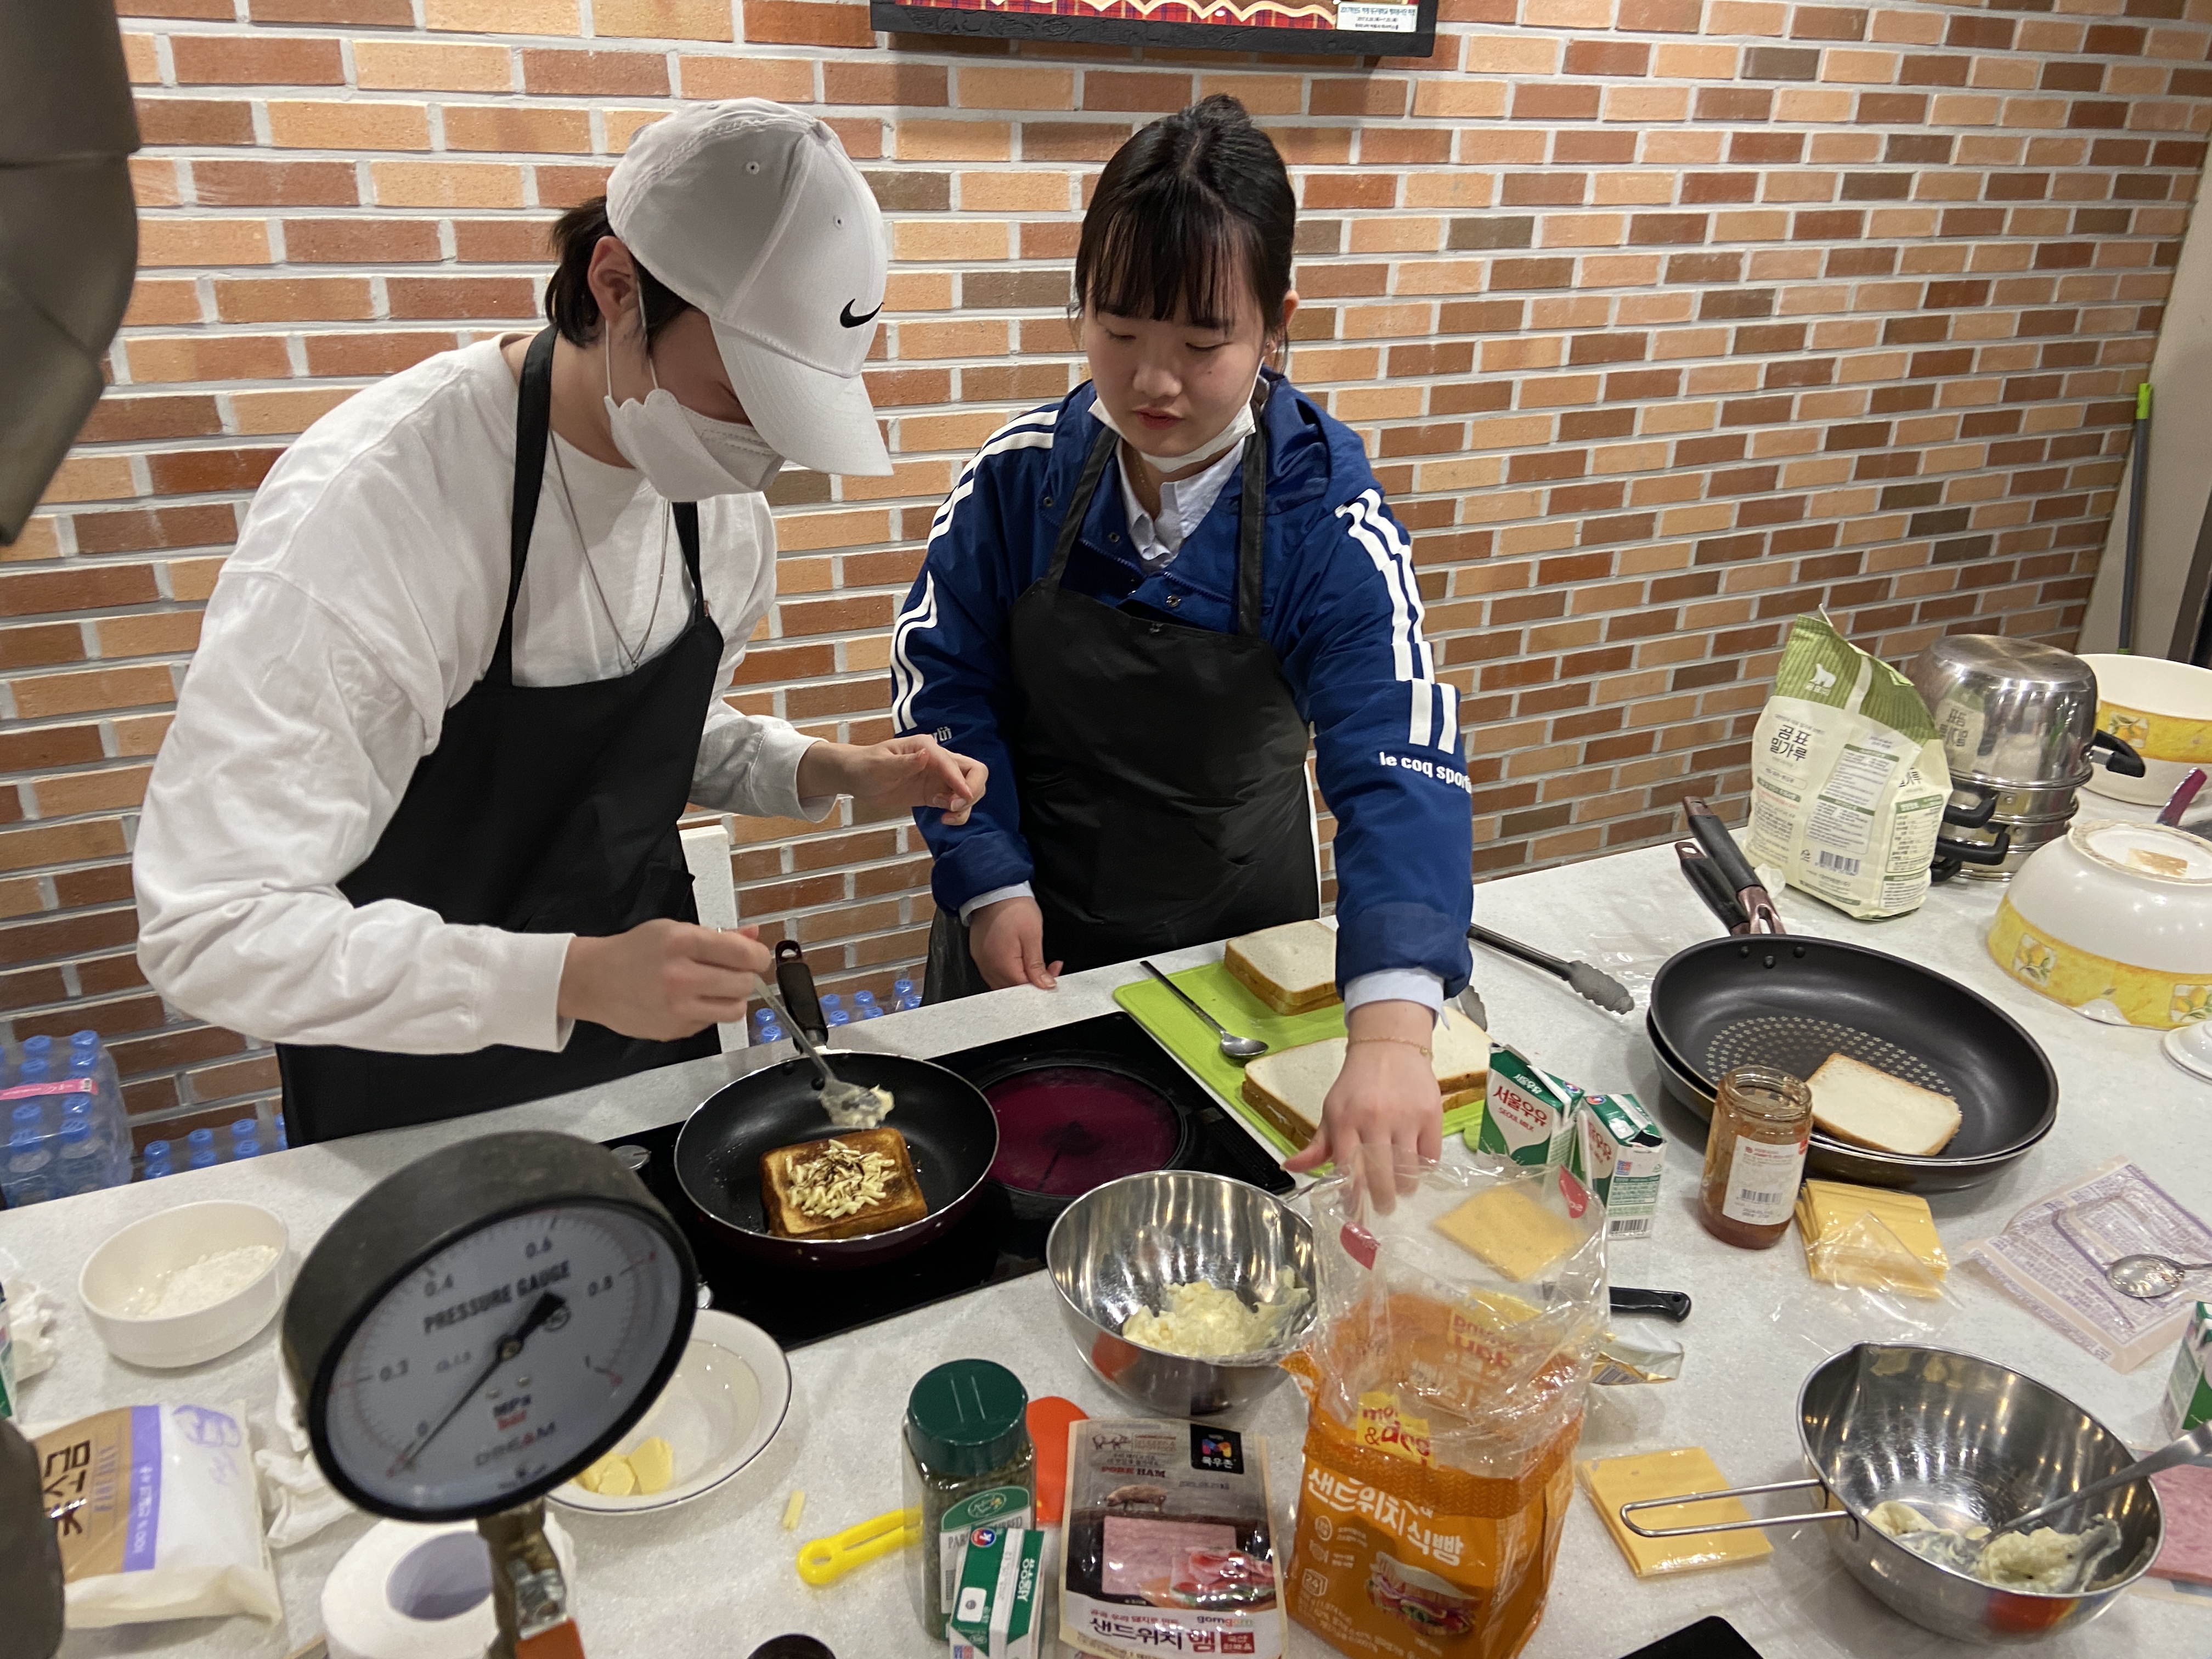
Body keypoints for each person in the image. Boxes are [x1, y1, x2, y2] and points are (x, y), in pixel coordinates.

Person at [133, 101, 984, 1144]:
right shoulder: (381, 510)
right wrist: (569, 978)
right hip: (407, 1081)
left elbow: (648, 745)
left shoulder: (721, 513)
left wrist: (828, 769)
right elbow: (211, 925)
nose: (765, 453)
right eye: (742, 395)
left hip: (640, 1053)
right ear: (615, 286)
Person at [889, 95, 1472, 1181]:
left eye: (1204, 343)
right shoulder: (1020, 481)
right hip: (1025, 924)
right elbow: (944, 686)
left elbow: (1399, 760)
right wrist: (986, 877)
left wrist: (1394, 1031)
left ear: (1276, 323)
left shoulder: (1326, 520)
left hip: (1235, 951)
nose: (1154, 382)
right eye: (1118, 332)